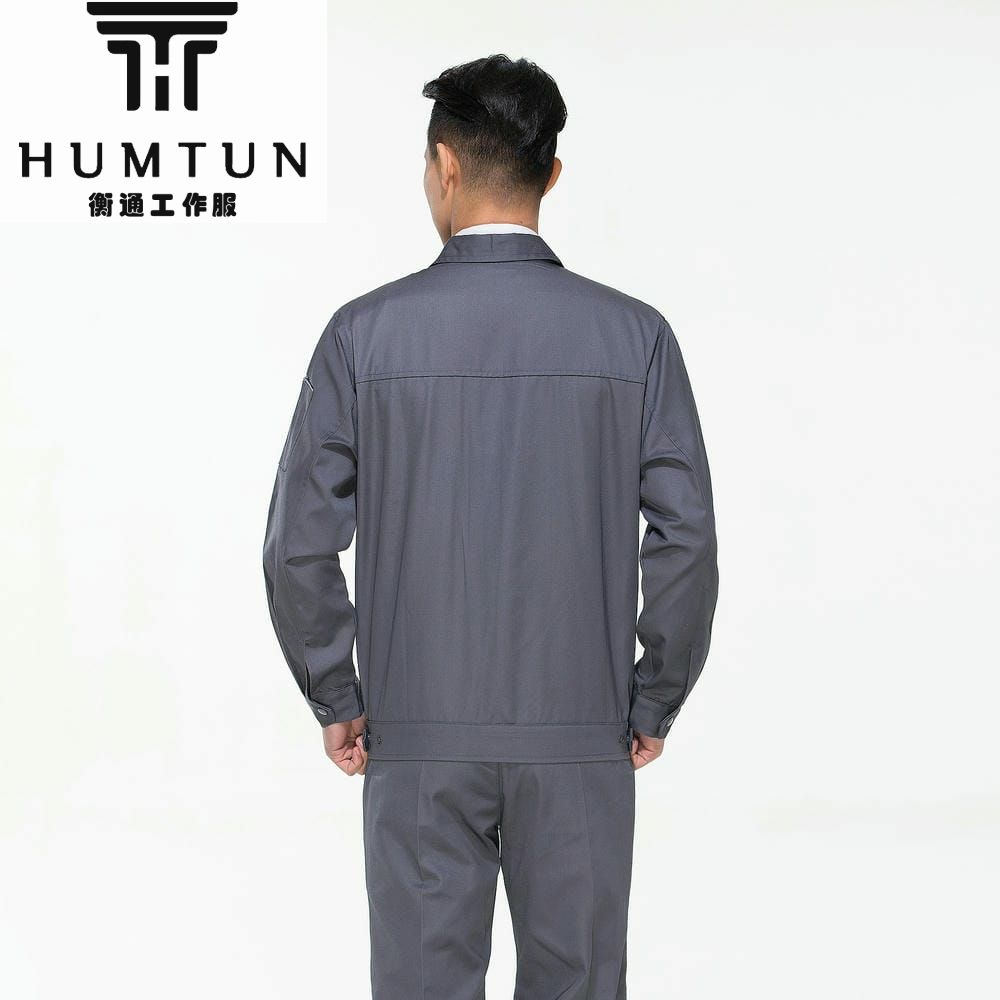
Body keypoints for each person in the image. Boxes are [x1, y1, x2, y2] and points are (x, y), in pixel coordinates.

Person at [263, 53, 719, 1000]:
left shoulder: (363, 335)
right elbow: (685, 541)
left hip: (417, 737)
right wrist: (652, 699)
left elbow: (299, 544)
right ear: (552, 173)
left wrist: (336, 693)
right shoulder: (636, 337)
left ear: (445, 165)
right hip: (582, 736)